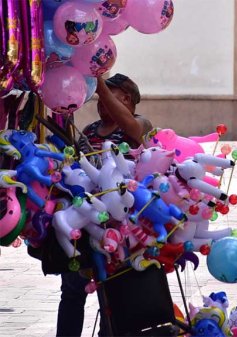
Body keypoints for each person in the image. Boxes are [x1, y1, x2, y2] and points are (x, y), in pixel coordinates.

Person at [57, 73, 152, 337]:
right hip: (86, 217)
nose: (102, 101)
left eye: (110, 95)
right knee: (72, 289)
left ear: (128, 99)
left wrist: (99, 82)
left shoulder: (140, 124)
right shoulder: (89, 131)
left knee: (113, 292)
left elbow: (132, 128)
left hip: (119, 226)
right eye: (99, 97)